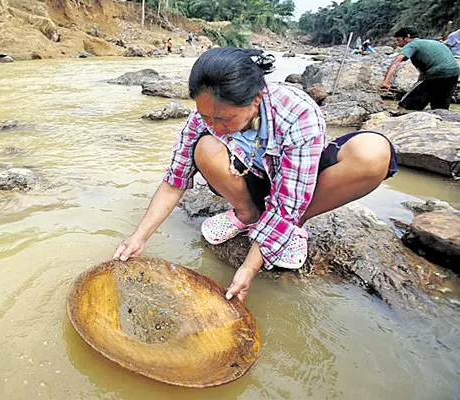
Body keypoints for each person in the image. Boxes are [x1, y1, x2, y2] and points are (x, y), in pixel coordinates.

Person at [113, 48, 398, 303]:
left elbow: (289, 199)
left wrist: (248, 268)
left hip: (300, 183)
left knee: (373, 152)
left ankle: (297, 225)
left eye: (224, 119)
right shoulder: (205, 115)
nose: (215, 125)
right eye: (207, 117)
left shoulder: (298, 112)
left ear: (256, 98)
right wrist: (139, 237)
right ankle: (247, 214)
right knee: (204, 145)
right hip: (254, 175)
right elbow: (176, 178)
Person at [380, 27, 460, 111]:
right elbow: (424, 72)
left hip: (437, 72)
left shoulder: (412, 44)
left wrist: (386, 82)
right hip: (454, 73)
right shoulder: (432, 42)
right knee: (440, 108)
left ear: (407, 37)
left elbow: (396, 62)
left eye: (398, 40)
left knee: (406, 104)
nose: (397, 43)